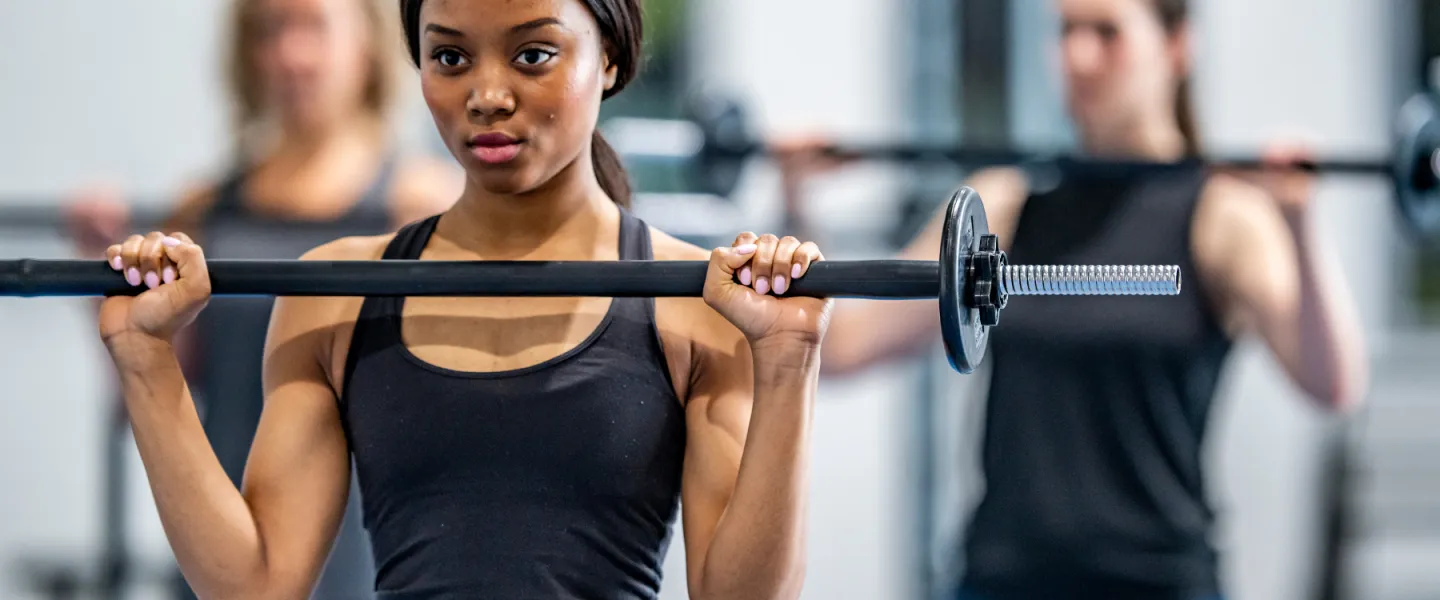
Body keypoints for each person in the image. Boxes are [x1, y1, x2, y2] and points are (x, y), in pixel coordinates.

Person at [95, 0, 829, 598]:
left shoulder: (695, 302)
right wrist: (143, 360)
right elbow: (255, 581)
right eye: (450, 57)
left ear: (607, 56)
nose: (486, 95)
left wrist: (789, 361)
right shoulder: (336, 294)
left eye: (532, 54)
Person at [776, 0, 1369, 598]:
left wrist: (1298, 221)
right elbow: (842, 346)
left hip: (1155, 583)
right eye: (1066, 32)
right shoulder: (1006, 205)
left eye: (1107, 33)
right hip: (1002, 578)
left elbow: (1332, 382)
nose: (1078, 56)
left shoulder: (1222, 215)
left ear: (1176, 46)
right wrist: (798, 203)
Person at [64, 0, 461, 597]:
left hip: (379, 554)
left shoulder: (426, 205)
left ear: (366, 45)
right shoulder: (202, 212)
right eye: (271, 31)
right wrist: (101, 283)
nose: (292, 55)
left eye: (314, 29)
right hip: (227, 541)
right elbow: (153, 383)